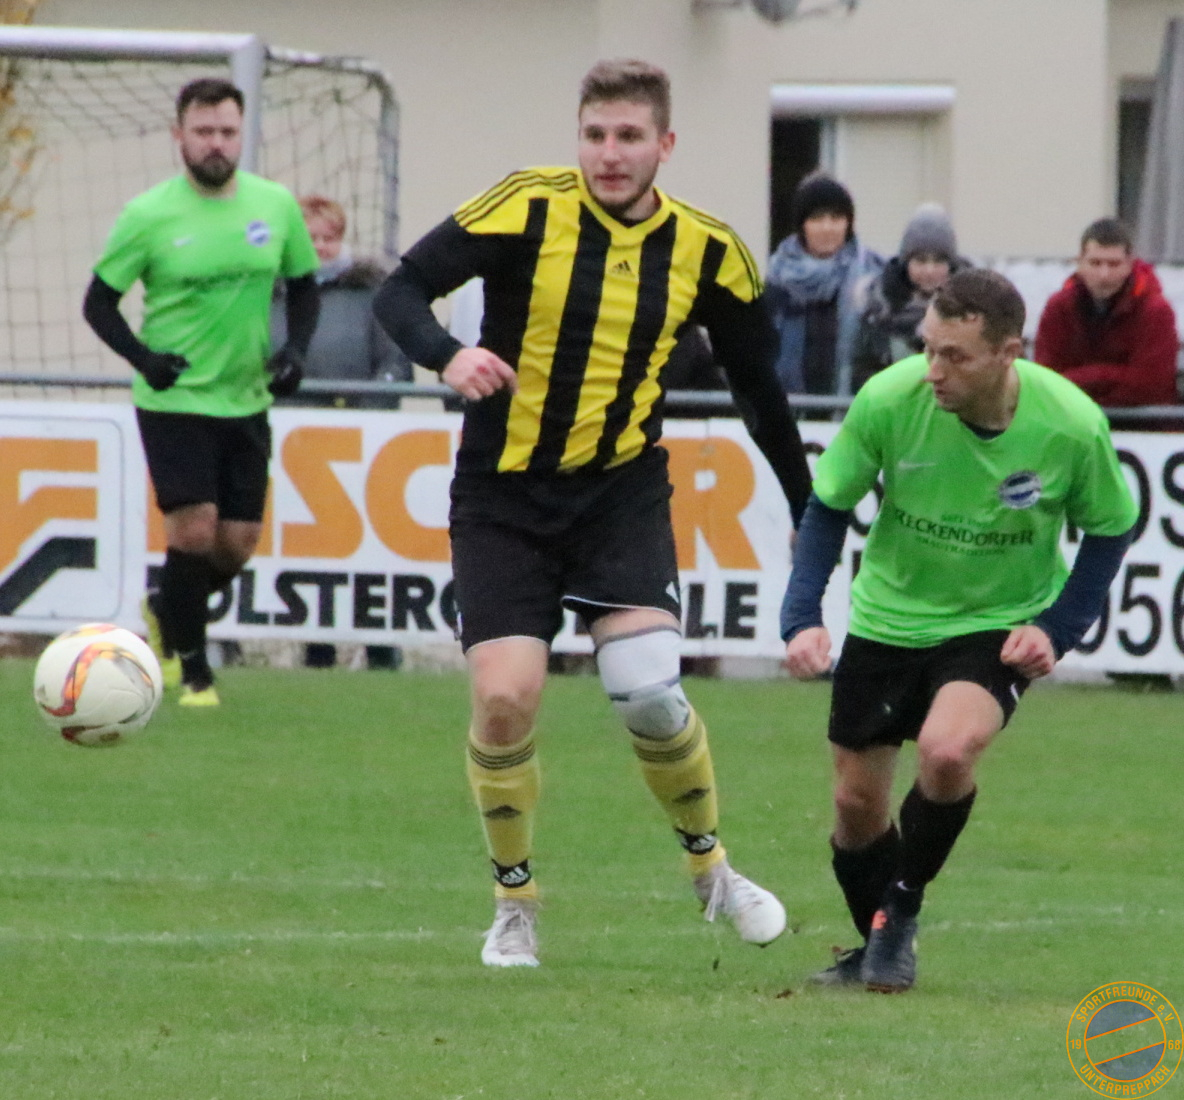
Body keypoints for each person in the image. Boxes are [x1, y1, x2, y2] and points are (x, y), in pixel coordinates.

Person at [374, 58, 813, 967]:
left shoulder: (709, 251)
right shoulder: (525, 206)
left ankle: (713, 869)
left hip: (619, 493)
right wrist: (447, 355)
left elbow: (759, 389)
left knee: (649, 693)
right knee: (505, 698)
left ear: (665, 144)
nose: (610, 154)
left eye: (629, 137)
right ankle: (515, 903)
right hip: (502, 493)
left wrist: (807, 505)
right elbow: (399, 290)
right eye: (595, 135)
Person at [782, 269, 1136, 992]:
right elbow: (828, 507)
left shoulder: (1070, 425)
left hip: (994, 624)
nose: (933, 371)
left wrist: (1056, 629)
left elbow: (1110, 529)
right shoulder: (890, 400)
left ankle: (901, 909)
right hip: (889, 617)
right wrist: (801, 618)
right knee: (855, 806)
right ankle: (875, 944)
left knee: (948, 751)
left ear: (1008, 353)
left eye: (955, 356)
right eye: (928, 349)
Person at [83, 77, 320, 706]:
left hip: (246, 399)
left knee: (235, 545)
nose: (216, 143)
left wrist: (295, 350)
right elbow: (98, 304)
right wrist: (145, 360)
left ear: (242, 135)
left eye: (227, 132)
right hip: (175, 400)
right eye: (204, 131)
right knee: (193, 532)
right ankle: (194, 671)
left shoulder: (275, 205)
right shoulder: (148, 215)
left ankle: (167, 607)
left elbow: (305, 285)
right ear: (179, 136)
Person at [274, 194, 411, 673]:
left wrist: (367, 417)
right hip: (293, 447)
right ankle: (316, 648)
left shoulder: (372, 295)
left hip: (364, 447)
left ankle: (381, 649)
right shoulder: (272, 296)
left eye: (329, 238)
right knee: (308, 550)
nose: (320, 247)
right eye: (310, 238)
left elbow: (395, 365)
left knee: (370, 552)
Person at [1034, 217, 1179, 430]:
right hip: (1070, 425)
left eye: (1113, 264)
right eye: (1095, 263)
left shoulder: (1155, 311)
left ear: (1130, 264)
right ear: (1079, 262)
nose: (1104, 275)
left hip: (1143, 429)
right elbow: (1044, 381)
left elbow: (1152, 386)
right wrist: (1113, 377)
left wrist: (1084, 378)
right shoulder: (1059, 307)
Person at [765, 173, 883, 399]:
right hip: (791, 410)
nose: (827, 227)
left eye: (836, 218)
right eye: (817, 218)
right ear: (802, 225)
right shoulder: (777, 279)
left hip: (856, 408)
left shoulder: (873, 279)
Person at [851, 203, 970, 392]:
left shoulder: (972, 307)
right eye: (920, 261)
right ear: (906, 263)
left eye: (939, 261)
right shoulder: (879, 308)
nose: (929, 270)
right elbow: (864, 372)